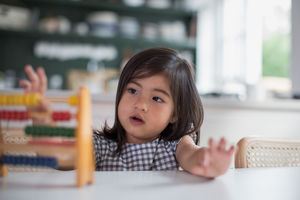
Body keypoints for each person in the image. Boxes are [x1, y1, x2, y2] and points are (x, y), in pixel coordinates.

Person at [20, 47, 235, 178]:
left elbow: (192, 156)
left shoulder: (174, 144)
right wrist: (42, 123)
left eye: (157, 98)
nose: (140, 104)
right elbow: (59, 158)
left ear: (175, 114)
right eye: (132, 90)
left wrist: (208, 161)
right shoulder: (100, 146)